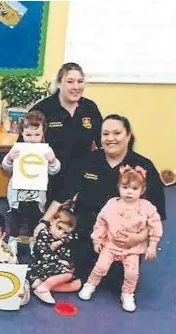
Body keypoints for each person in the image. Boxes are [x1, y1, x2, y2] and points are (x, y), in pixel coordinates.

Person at [35, 114, 166, 292]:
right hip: (87, 231)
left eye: (117, 133)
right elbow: (64, 194)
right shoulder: (88, 161)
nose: (110, 139)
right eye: (105, 134)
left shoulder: (143, 167)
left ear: (128, 136)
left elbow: (156, 214)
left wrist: (139, 237)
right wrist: (43, 222)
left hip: (124, 238)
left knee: (119, 282)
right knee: (73, 272)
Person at [78, 165, 163, 312]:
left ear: (142, 190)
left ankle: (127, 293)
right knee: (101, 266)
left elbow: (155, 224)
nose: (129, 192)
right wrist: (97, 239)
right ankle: (90, 284)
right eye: (125, 187)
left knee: (131, 273)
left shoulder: (146, 207)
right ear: (119, 187)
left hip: (132, 249)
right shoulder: (112, 204)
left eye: (134, 189)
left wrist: (152, 244)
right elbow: (101, 222)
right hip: (110, 244)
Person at [30, 63, 103, 206]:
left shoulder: (90, 108)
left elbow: (102, 142)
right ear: (59, 84)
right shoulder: (42, 110)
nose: (76, 87)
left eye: (80, 81)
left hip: (81, 179)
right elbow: (25, 144)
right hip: (49, 179)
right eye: (70, 81)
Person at [2, 111, 61, 255]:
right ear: (22, 133)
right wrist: (9, 158)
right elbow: (6, 168)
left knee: (34, 219)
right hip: (18, 195)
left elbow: (55, 170)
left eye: (37, 135)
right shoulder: (17, 149)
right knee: (16, 218)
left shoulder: (46, 150)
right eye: (28, 135)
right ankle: (13, 241)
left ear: (43, 133)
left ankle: (34, 241)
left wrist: (53, 160)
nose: (32, 139)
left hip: (37, 195)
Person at [29, 200, 80, 304]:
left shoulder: (65, 237)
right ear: (52, 221)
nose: (61, 233)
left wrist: (61, 241)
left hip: (58, 267)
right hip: (42, 267)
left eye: (65, 232)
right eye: (59, 228)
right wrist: (60, 260)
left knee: (77, 284)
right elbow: (44, 256)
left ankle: (42, 285)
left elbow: (74, 236)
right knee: (68, 274)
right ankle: (43, 288)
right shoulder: (43, 235)